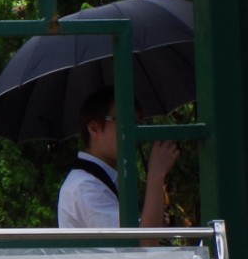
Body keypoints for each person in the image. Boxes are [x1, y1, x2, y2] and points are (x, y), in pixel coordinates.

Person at [56, 85, 180, 229]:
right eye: (125, 122)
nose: (132, 131)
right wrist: (156, 175)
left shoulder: (101, 179)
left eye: (136, 124)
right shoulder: (86, 186)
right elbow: (141, 240)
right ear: (94, 128)